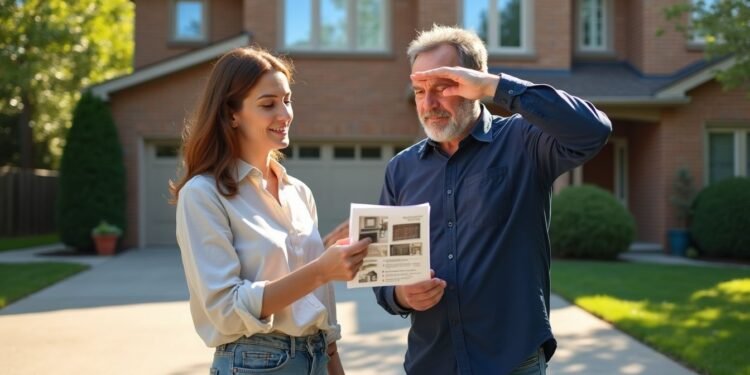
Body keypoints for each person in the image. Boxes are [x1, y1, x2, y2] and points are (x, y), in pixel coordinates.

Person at [373, 25, 612, 375]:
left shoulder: (523, 141)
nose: (428, 103)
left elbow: (593, 130)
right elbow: (382, 272)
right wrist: (401, 295)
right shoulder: (402, 169)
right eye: (420, 90)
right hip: (431, 362)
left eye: (443, 87)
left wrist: (496, 86)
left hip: (511, 361)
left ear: (473, 83)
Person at [171, 47, 371, 375]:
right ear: (231, 114)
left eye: (287, 100)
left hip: (318, 355)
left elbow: (318, 301)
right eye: (268, 104)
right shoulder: (203, 195)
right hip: (255, 362)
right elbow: (225, 309)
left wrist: (334, 363)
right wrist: (321, 269)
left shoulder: (299, 193)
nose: (285, 114)